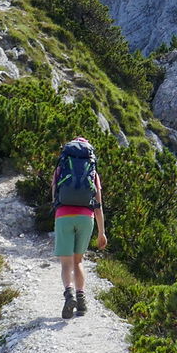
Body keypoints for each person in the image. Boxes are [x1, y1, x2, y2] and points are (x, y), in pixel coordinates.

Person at [52, 136, 106, 318]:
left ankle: (69, 294)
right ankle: (81, 301)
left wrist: (58, 213)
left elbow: (54, 194)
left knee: (66, 264)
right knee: (78, 261)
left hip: (63, 216)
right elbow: (98, 204)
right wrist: (102, 233)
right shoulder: (92, 172)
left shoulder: (61, 167)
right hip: (86, 217)